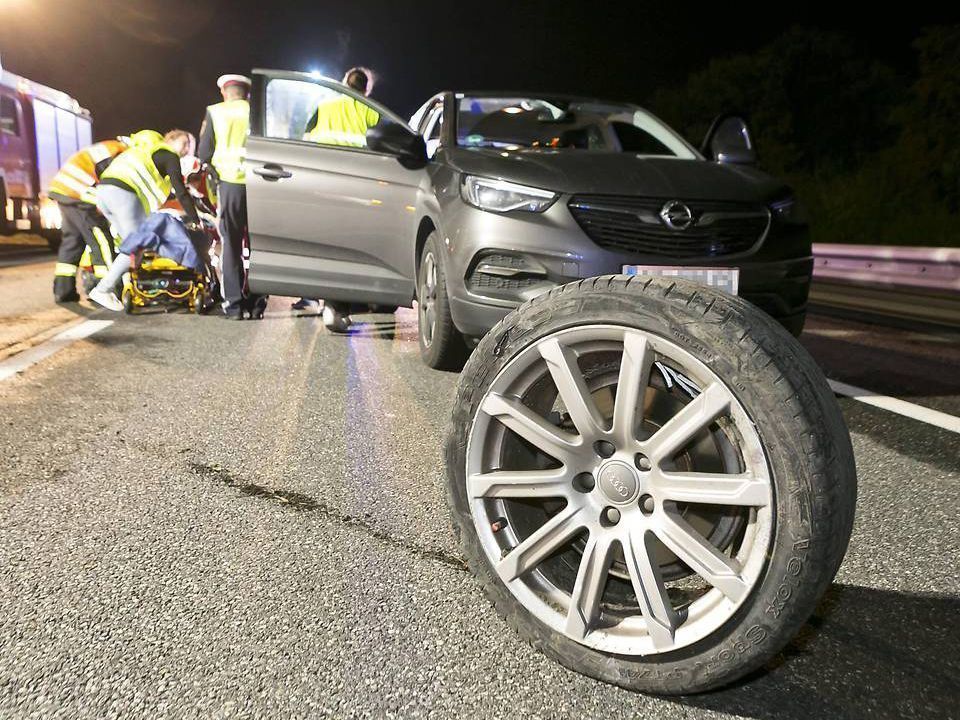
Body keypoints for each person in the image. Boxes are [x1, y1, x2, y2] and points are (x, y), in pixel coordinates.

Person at [297, 67, 379, 331]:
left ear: (343, 84)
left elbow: (304, 139)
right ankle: (338, 305)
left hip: (323, 182)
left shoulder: (325, 105)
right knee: (350, 246)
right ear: (366, 89)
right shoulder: (371, 110)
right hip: (357, 186)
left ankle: (323, 299)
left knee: (325, 243)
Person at [87, 130, 200, 311]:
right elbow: (180, 190)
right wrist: (195, 219)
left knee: (129, 246)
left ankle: (126, 287)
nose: (187, 149)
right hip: (124, 193)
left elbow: (103, 166)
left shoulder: (143, 151)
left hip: (105, 192)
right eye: (184, 143)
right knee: (136, 246)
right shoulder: (169, 154)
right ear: (171, 140)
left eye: (190, 146)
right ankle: (103, 289)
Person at [198, 74, 262, 320]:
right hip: (260, 185)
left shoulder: (215, 111)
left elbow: (205, 152)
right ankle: (256, 305)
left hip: (229, 184)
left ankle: (234, 305)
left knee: (232, 245)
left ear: (224, 93)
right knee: (259, 245)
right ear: (247, 94)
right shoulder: (257, 112)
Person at [47, 138, 128, 302]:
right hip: (80, 192)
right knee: (102, 241)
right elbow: (110, 179)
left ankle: (63, 291)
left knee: (73, 242)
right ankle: (108, 290)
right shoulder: (122, 153)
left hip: (64, 190)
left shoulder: (112, 147)